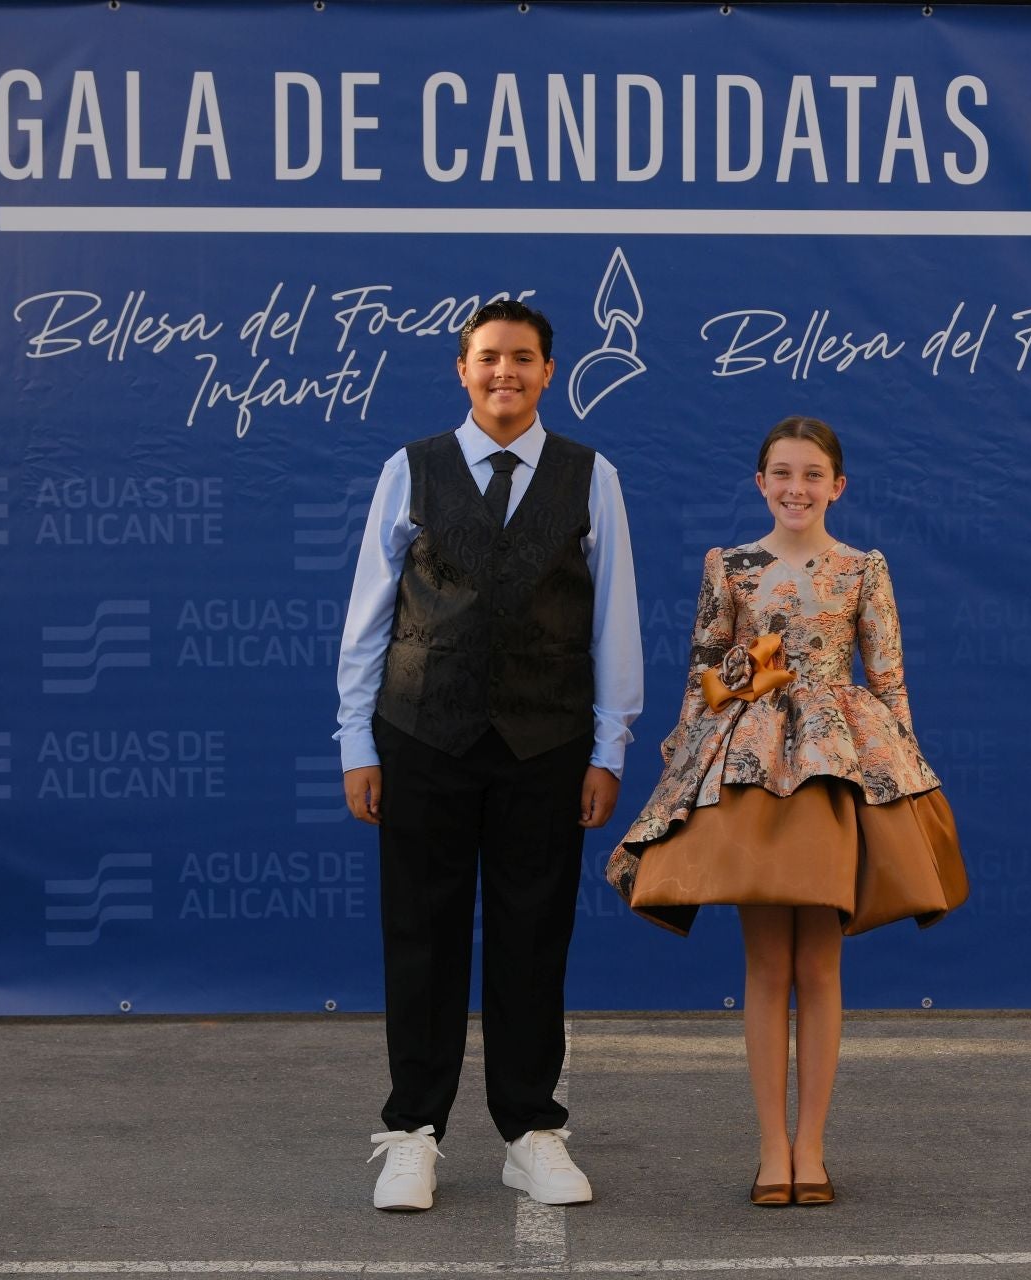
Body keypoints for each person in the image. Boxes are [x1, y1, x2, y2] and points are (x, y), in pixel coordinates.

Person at [604, 416, 966, 1207]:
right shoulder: (728, 567)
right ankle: (772, 1149)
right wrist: (684, 766)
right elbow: (705, 676)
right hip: (750, 772)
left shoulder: (864, 568)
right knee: (767, 965)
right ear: (760, 482)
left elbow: (891, 678)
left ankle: (813, 1147)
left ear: (838, 486)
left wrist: (903, 773)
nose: (795, 488)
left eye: (811, 475)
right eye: (780, 473)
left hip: (839, 773)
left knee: (822, 964)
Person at [334, 299, 642, 1212]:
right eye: (487, 358)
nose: (504, 372)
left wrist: (609, 744)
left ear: (549, 371)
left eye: (522, 358)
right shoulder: (411, 468)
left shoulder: (592, 477)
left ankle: (531, 1131)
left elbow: (614, 620)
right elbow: (369, 615)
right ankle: (413, 1135)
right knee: (419, 936)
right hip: (421, 734)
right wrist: (357, 740)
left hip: (546, 743)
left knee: (532, 938)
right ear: (461, 370)